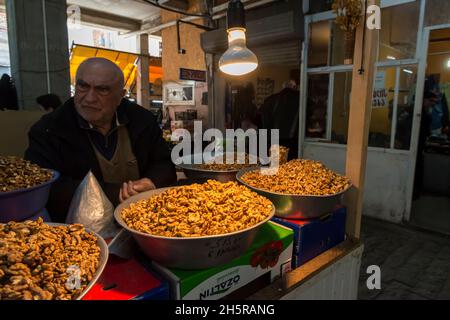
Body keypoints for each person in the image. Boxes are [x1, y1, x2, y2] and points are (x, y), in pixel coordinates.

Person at [25, 57, 177, 222]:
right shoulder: (49, 130)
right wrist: (117, 193)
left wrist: (151, 182)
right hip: (79, 228)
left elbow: (163, 163)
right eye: (83, 86)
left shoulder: (142, 120)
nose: (89, 98)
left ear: (120, 96)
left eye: (102, 89)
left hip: (143, 219)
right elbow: (46, 187)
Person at [259, 79, 300, 160]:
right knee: (291, 165)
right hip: (293, 140)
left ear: (282, 87)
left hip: (273, 138)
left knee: (275, 163)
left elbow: (263, 120)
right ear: (294, 87)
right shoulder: (301, 98)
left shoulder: (270, 99)